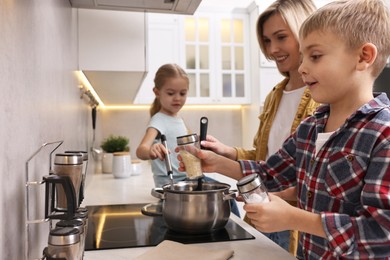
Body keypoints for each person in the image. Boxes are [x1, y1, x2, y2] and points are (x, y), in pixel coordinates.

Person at [178, 0, 390, 258]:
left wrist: (294, 219)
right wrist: (215, 163)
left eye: (315, 56)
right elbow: (270, 174)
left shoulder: (383, 133)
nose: (302, 67)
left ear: (363, 57)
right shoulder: (310, 127)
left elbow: (382, 233)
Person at [200, 0, 319, 255]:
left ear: (305, 32)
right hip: (262, 209)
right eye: (266, 40)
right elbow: (267, 160)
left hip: (295, 221)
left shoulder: (322, 100)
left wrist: (270, 194)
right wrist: (225, 152)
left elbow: (317, 182)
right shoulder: (275, 95)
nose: (273, 49)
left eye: (281, 37)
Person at [136, 63, 241, 216]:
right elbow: (141, 150)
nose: (177, 98)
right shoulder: (159, 120)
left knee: (224, 194)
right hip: (174, 184)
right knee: (223, 195)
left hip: (189, 178)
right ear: (157, 92)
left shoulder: (178, 119)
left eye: (182, 93)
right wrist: (151, 150)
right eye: (171, 93)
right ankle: (236, 228)